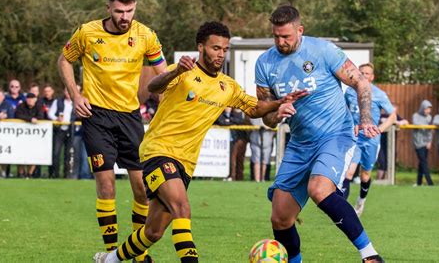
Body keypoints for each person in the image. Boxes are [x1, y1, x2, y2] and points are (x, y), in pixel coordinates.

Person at [93, 21, 307, 263]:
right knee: (182, 208)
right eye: (216, 48)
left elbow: (255, 108)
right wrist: (174, 72)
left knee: (153, 231)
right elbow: (154, 86)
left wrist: (280, 102)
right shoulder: (183, 72)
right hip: (158, 152)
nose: (221, 54)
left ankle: (109, 260)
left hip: (186, 163)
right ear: (201, 47)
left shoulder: (227, 86)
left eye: (225, 49)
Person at [255, 6, 384, 263]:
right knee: (280, 217)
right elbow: (266, 116)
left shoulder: (323, 51)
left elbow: (360, 81)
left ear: (299, 30)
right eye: (276, 37)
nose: (281, 42)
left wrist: (366, 117)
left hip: (335, 134)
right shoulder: (264, 63)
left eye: (286, 37)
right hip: (299, 144)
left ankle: (370, 256)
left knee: (319, 188)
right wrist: (277, 112)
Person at [57, 0, 167, 261]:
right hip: (96, 116)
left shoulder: (146, 36)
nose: (124, 16)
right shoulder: (87, 32)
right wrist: (76, 94)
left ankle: (140, 254)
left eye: (129, 10)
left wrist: (167, 108)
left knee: (142, 187)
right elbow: (64, 60)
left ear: (136, 7)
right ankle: (110, 254)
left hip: (130, 117)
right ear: (108, 8)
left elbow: (163, 75)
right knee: (106, 186)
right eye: (119, 11)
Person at [342, 63, 397, 215]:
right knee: (348, 173)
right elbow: (344, 110)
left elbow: (392, 116)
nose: (364, 75)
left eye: (367, 73)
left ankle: (361, 201)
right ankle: (342, 210)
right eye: (362, 73)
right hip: (353, 138)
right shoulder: (350, 92)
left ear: (372, 77)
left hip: (371, 140)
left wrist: (379, 129)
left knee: (365, 175)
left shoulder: (379, 94)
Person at [15, 92, 44, 178]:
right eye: (28, 99)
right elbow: (18, 115)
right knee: (20, 153)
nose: (30, 101)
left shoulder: (39, 107)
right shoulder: (21, 106)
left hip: (35, 136)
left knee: (34, 153)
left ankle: (30, 173)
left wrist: (33, 119)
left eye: (32, 99)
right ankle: (21, 173)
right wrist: (30, 119)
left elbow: (41, 116)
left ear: (35, 100)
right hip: (21, 134)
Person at [375, 106, 408, 180]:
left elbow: (406, 122)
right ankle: (379, 180)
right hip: (381, 144)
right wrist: (395, 122)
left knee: (390, 164)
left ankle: (387, 180)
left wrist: (398, 122)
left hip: (391, 145)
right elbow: (383, 120)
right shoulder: (383, 116)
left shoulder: (395, 116)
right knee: (382, 163)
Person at [412, 100, 434, 186]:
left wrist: (429, 141)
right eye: (426, 109)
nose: (428, 111)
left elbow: (430, 131)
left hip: (426, 143)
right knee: (424, 162)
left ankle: (419, 182)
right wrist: (425, 124)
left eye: (429, 109)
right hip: (418, 143)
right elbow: (416, 123)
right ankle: (430, 183)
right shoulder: (416, 115)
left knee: (422, 163)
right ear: (422, 108)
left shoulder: (429, 117)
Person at [249, 118, 276, 182]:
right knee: (256, 160)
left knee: (265, 160)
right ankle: (257, 179)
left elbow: (277, 122)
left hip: (268, 138)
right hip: (255, 137)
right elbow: (251, 120)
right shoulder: (256, 112)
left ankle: (263, 178)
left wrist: (268, 126)